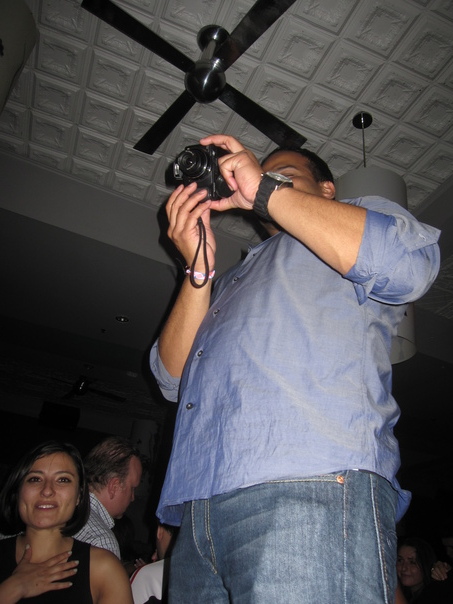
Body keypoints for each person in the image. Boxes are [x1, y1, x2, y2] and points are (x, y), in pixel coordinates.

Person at [149, 133, 441, 603]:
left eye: (283, 175)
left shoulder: (355, 218)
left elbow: (409, 264)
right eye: (263, 175)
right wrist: (198, 269)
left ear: (326, 189)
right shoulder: (230, 281)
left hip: (310, 487)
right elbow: (172, 379)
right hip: (200, 512)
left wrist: (265, 189)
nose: (265, 179)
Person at [0, 440, 133, 603]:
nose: (47, 490)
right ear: (18, 491)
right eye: (35, 479)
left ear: (79, 496)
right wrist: (13, 588)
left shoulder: (103, 569)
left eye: (63, 480)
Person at [74, 436, 142, 559]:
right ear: (114, 486)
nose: (132, 498)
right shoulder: (102, 542)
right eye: (132, 488)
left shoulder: (60, 513)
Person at [130, 522, 178, 603]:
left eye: (156, 551)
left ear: (160, 531)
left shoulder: (147, 576)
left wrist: (148, 572)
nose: (153, 557)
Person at [397, 536, 453, 603]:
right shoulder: (400, 594)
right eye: (400, 560)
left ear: (425, 564)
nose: (404, 568)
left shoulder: (436, 595)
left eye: (412, 562)